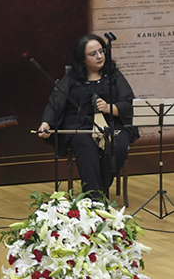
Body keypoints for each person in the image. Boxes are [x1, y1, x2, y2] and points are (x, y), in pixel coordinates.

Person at [37, 34, 138, 195]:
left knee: (117, 146)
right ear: (82, 59)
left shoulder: (114, 75)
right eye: (93, 54)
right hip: (80, 125)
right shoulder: (72, 78)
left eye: (101, 51)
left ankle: (96, 192)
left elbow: (128, 103)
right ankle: (94, 197)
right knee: (85, 145)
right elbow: (56, 102)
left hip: (113, 124)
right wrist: (46, 123)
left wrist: (109, 107)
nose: (99, 56)